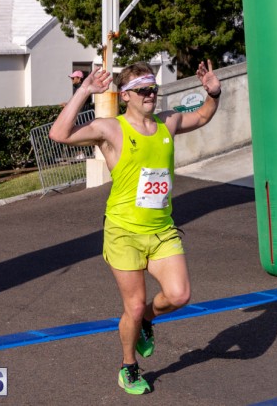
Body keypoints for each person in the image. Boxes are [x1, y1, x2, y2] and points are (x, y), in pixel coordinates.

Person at [49, 60, 221, 395]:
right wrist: (84, 90)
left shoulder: (167, 122)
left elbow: (202, 116)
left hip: (161, 229)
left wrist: (213, 94)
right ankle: (129, 366)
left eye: (153, 89)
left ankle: (146, 321)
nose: (150, 95)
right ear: (126, 95)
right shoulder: (111, 129)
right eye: (142, 90)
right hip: (123, 232)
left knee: (179, 295)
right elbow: (59, 134)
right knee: (134, 303)